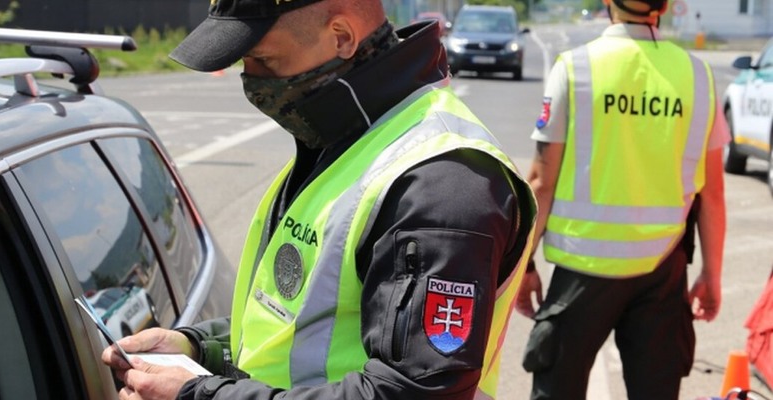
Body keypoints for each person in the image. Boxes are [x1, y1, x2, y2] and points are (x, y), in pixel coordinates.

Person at [100, 0, 538, 399]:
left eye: (264, 58)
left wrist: (199, 396)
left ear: (342, 37)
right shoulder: (345, 137)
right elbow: (304, 322)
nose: (251, 79)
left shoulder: (440, 183)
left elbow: (414, 392)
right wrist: (201, 347)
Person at [515, 0, 728, 399]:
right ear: (664, 6)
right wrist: (711, 275)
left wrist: (522, 265)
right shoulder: (698, 77)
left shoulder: (576, 68)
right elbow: (712, 193)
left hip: (583, 269)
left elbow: (542, 181)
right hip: (663, 271)